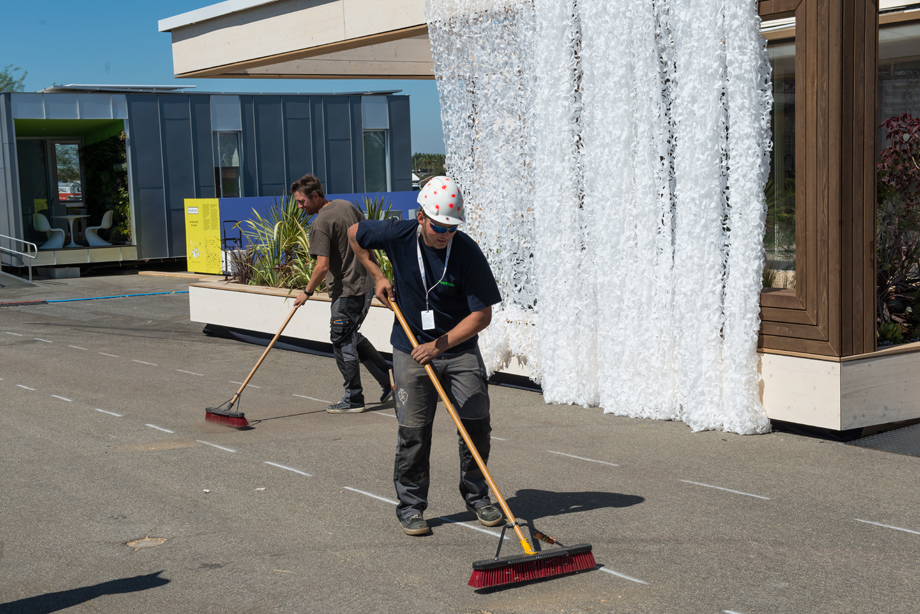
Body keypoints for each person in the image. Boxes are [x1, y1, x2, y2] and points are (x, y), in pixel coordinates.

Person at [347, 176, 504, 536]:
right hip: (409, 347)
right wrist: (377, 275)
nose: (445, 234)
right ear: (421, 218)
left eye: (451, 228)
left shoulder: (467, 253)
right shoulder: (398, 235)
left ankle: (478, 497)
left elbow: (481, 316)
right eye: (438, 227)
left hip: (457, 349)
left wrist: (439, 346)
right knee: (414, 431)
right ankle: (411, 506)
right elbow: (355, 233)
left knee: (475, 423)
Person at [291, 174, 392, 413]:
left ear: (316, 195)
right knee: (349, 335)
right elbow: (367, 236)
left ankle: (353, 398)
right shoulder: (346, 206)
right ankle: (389, 379)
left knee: (341, 340)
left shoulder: (319, 224)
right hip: (366, 284)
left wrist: (307, 292)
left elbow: (322, 266)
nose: (299, 206)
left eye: (302, 201)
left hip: (348, 290)